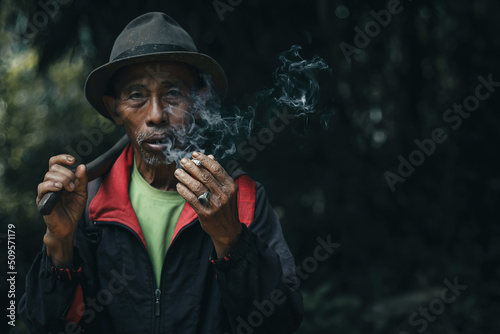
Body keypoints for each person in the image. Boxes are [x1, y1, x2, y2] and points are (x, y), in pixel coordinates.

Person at [19, 12, 303, 334]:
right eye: (136, 95)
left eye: (173, 93)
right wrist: (59, 241)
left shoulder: (241, 198)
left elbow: (280, 324)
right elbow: (43, 324)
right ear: (115, 109)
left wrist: (231, 240)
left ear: (200, 101)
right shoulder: (86, 204)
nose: (156, 115)